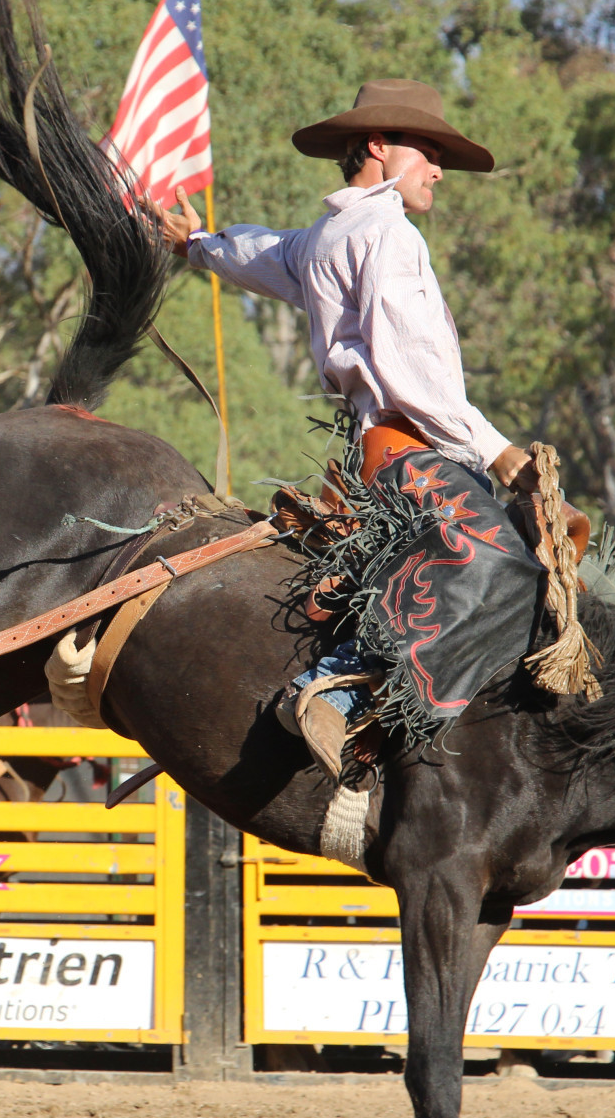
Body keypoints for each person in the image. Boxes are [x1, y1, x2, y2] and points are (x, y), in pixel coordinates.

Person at [159, 79, 544, 787]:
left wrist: (200, 245)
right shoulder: (389, 234)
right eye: (428, 150)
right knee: (508, 569)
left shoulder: (326, 239)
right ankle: (335, 689)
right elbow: (414, 376)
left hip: (378, 460)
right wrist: (500, 451)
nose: (435, 169)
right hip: (414, 455)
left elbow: (260, 253)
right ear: (378, 146)